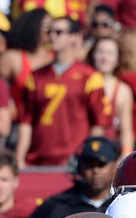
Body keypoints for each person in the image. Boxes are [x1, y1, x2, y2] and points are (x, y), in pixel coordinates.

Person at [14, 16, 108, 168]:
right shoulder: (35, 77)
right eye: (50, 31)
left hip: (72, 160)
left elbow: (99, 123)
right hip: (37, 159)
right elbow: (26, 122)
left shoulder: (89, 77)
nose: (52, 36)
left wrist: (87, 156)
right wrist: (19, 158)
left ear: (74, 37)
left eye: (58, 32)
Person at [15, 136, 119, 218]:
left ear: (114, 166)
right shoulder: (57, 205)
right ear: (79, 167)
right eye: (89, 165)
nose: (95, 171)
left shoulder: (121, 204)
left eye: (101, 165)